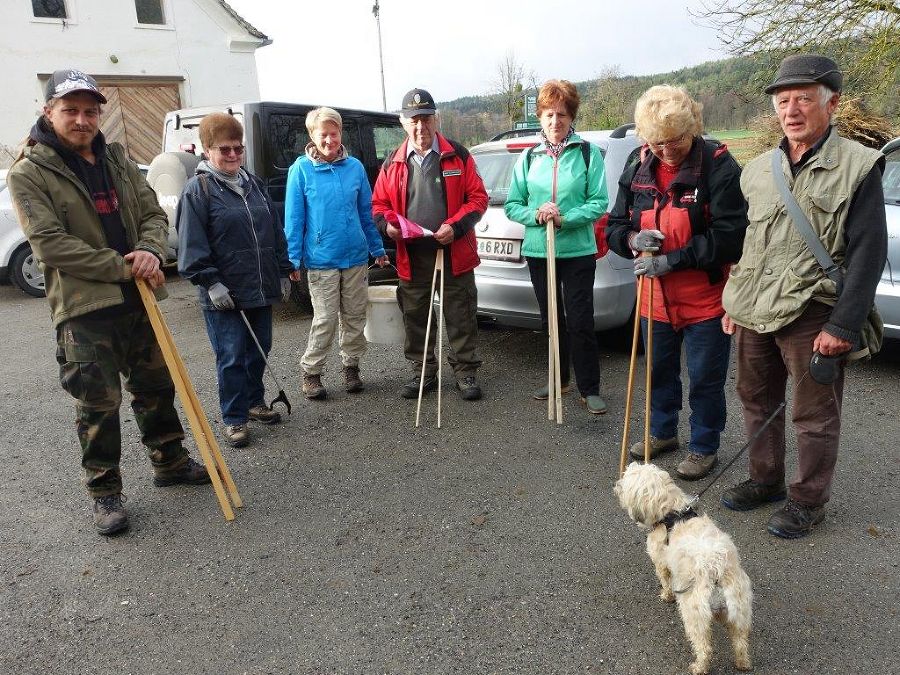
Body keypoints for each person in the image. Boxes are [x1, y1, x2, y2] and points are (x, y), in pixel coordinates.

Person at [7, 69, 211, 536]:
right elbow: (49, 245)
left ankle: (170, 462)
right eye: (70, 110)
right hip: (84, 310)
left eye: (90, 111)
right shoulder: (29, 172)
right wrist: (126, 265)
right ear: (48, 113)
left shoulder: (116, 158)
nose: (82, 119)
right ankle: (104, 493)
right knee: (98, 405)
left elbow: (152, 213)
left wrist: (151, 251)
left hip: (137, 299)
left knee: (157, 387)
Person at [720, 55, 887, 538]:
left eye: (804, 99)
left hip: (814, 309)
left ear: (830, 104)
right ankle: (765, 480)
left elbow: (869, 252)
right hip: (754, 307)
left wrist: (844, 324)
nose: (792, 110)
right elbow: (751, 241)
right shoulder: (756, 170)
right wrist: (735, 301)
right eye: (783, 101)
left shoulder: (859, 166)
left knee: (812, 413)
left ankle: (808, 499)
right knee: (754, 398)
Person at [606, 85, 748, 478]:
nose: (666, 150)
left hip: (704, 298)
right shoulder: (637, 164)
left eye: (675, 140)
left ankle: (704, 445)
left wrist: (672, 260)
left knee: (705, 377)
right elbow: (614, 227)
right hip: (653, 297)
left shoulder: (717, 165)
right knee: (659, 370)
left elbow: (730, 238)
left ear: (693, 128)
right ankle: (663, 431)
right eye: (656, 142)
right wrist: (632, 240)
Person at [177, 113, 293, 448]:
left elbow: (274, 231)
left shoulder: (253, 184)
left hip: (258, 286)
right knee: (231, 355)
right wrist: (210, 282)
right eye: (224, 149)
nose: (232, 155)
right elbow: (191, 246)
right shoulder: (198, 190)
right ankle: (234, 417)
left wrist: (283, 270)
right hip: (223, 293)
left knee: (259, 349)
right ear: (207, 149)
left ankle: (255, 402)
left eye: (238, 149)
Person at [371, 88, 488, 401]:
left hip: (454, 251)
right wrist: (388, 227)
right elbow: (379, 205)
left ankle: (465, 372)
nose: (420, 126)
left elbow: (478, 198)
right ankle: (423, 373)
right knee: (416, 316)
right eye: (413, 120)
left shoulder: (459, 155)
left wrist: (456, 225)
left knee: (461, 313)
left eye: (425, 118)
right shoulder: (392, 162)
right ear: (403, 122)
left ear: (435, 119)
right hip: (412, 254)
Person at [504, 79, 609, 415]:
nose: (555, 121)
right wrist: (538, 214)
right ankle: (558, 379)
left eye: (561, 114)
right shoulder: (528, 157)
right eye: (549, 114)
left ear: (571, 116)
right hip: (539, 249)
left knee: (580, 320)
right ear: (541, 117)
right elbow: (512, 204)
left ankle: (589, 387)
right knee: (551, 319)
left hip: (577, 249)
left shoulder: (587, 153)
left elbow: (599, 202)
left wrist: (564, 217)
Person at [284, 107, 388, 400]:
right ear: (312, 136)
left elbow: (366, 214)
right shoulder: (301, 170)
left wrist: (376, 248)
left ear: (340, 133)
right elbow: (294, 219)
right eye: (323, 134)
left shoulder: (354, 167)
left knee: (354, 317)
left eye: (334, 133)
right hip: (321, 259)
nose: (329, 140)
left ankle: (351, 367)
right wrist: (292, 258)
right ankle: (312, 372)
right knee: (325, 319)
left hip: (355, 257)